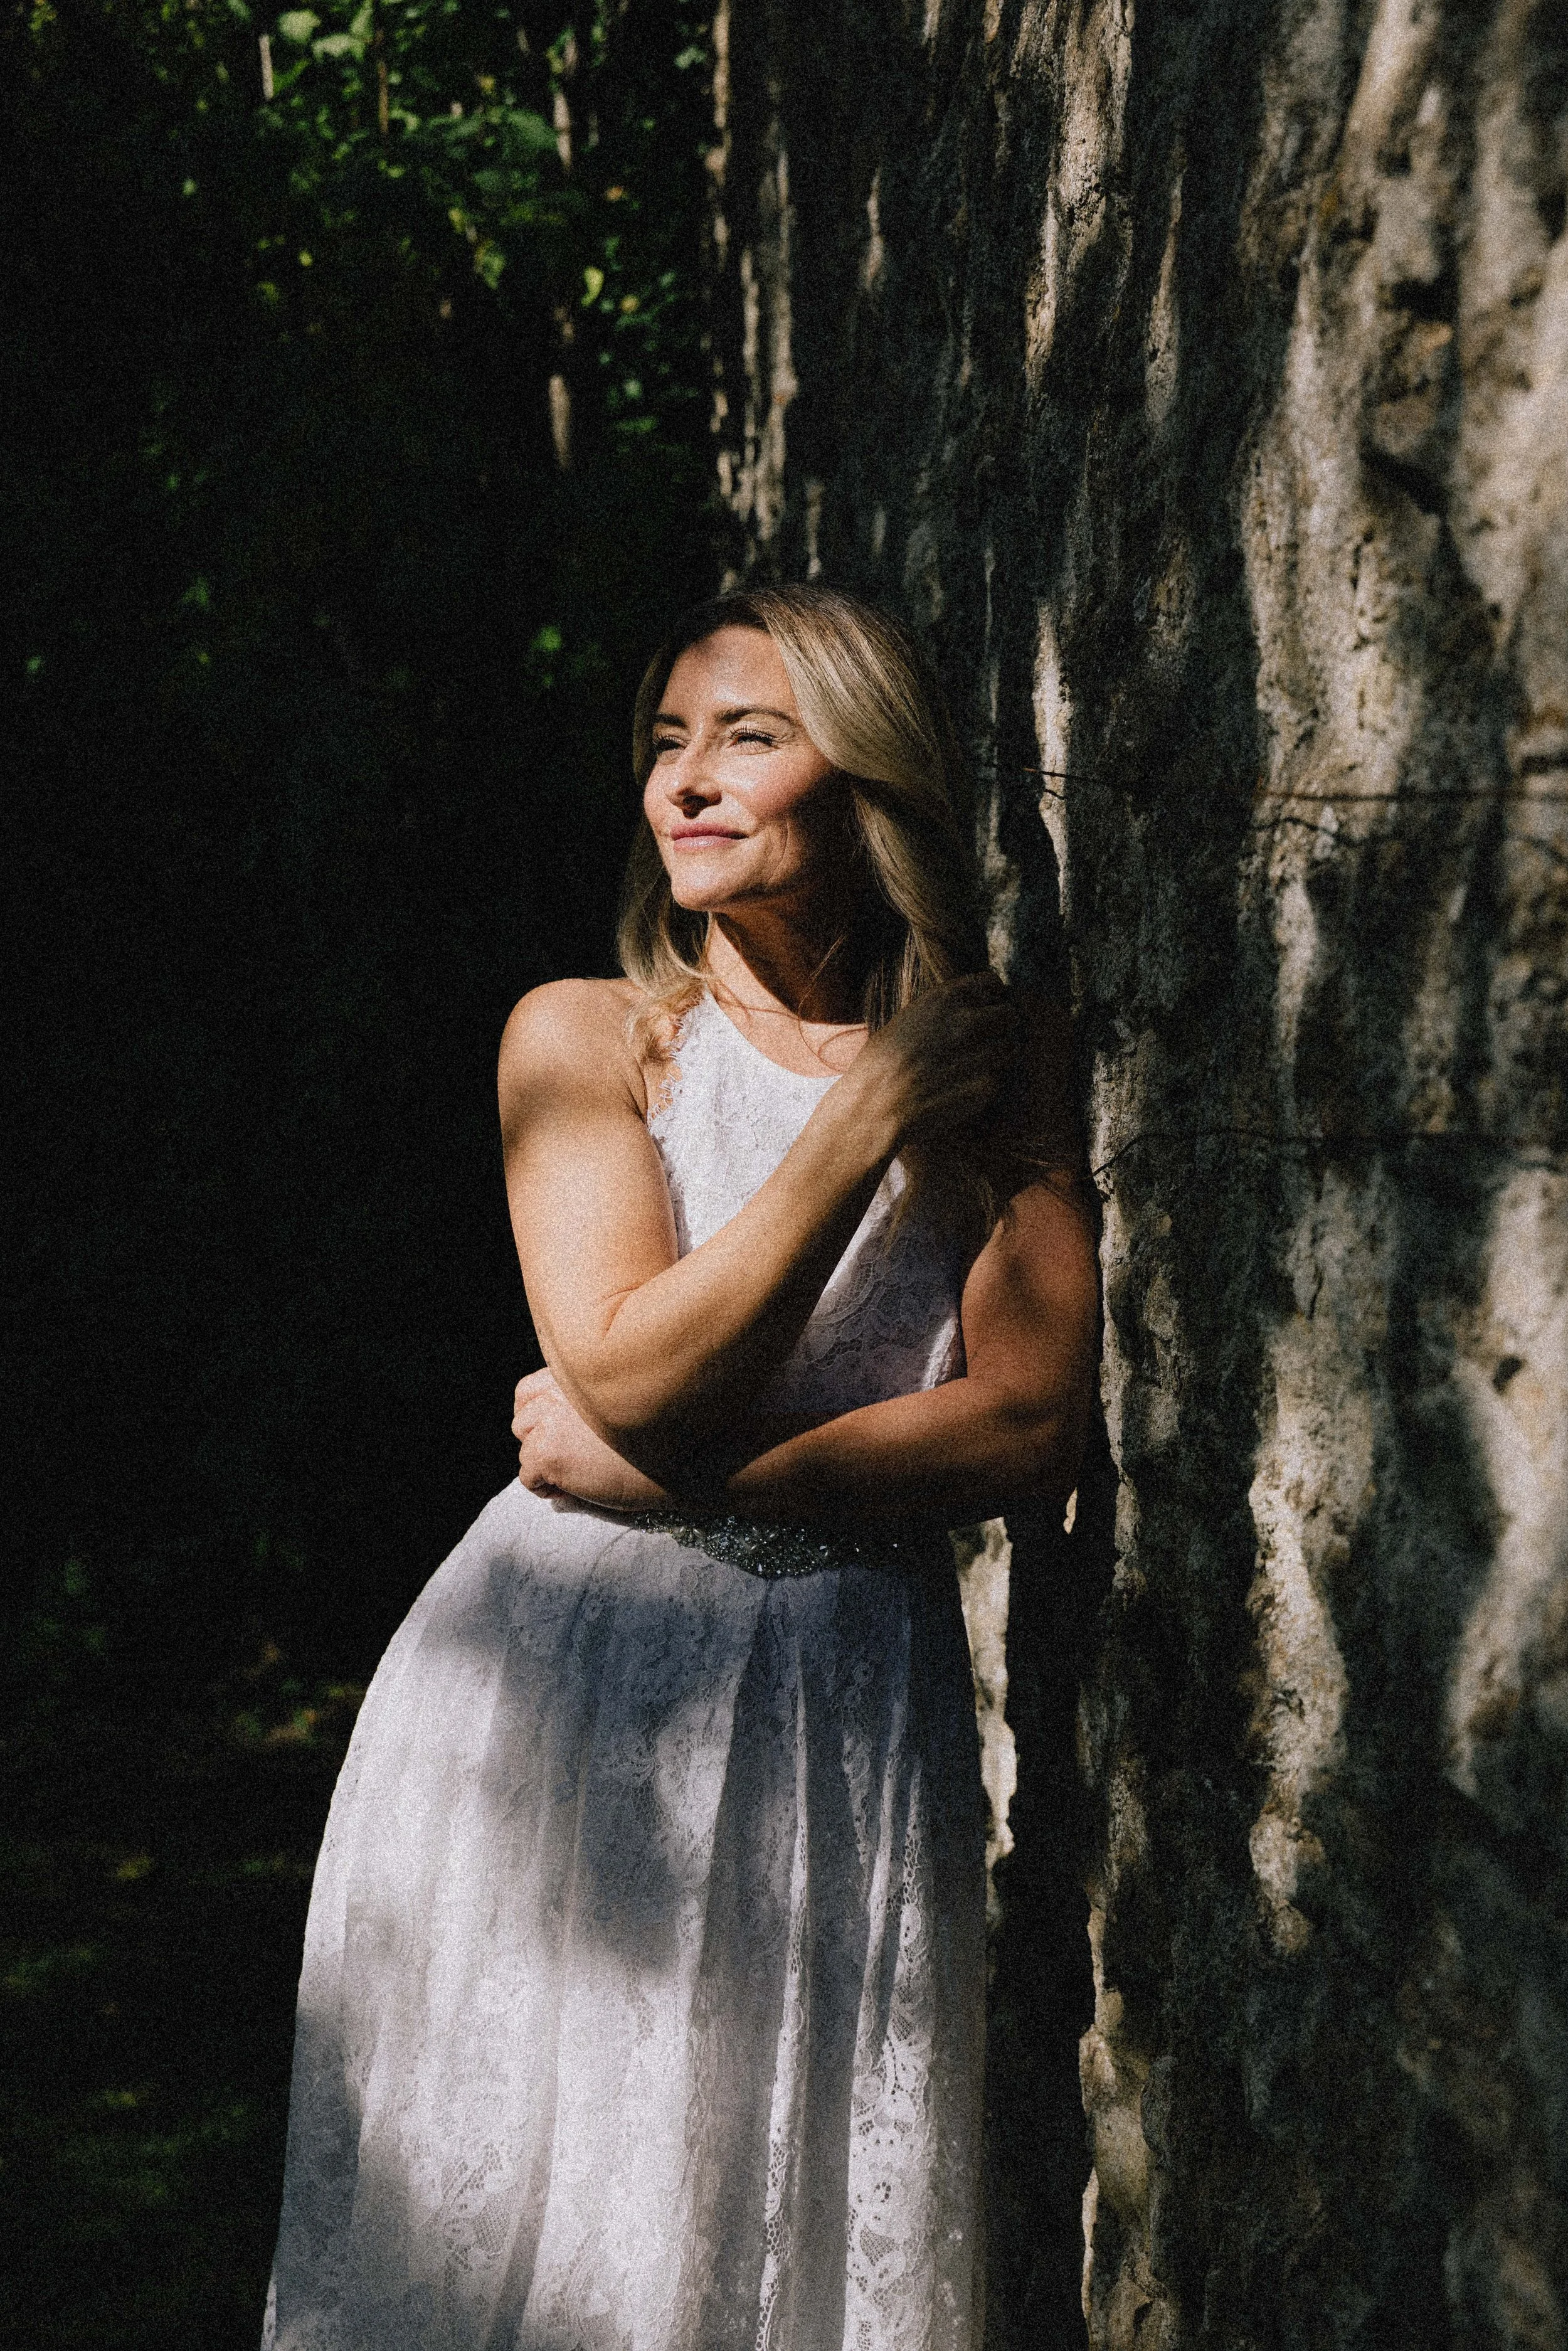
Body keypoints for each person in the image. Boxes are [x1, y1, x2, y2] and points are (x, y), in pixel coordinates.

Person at [263, 584, 1098, 2351]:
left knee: (755, 2220)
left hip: (841, 1707)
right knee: (520, 2218)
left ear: (865, 778)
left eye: (747, 737)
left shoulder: (996, 1058)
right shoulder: (582, 1037)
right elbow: (633, 1366)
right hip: (555, 1697)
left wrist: (703, 1482)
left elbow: (1026, 1422)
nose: (686, 786)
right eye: (663, 744)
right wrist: (865, 1122)